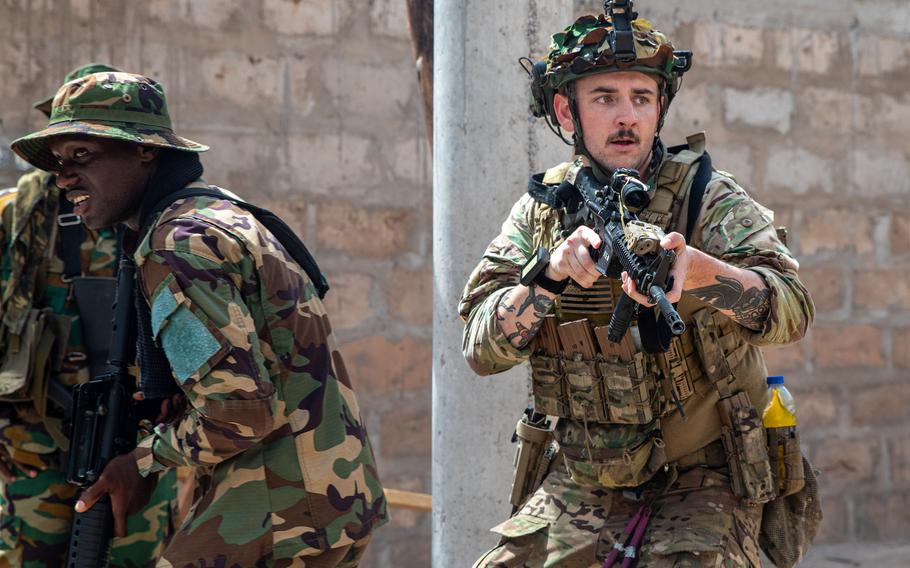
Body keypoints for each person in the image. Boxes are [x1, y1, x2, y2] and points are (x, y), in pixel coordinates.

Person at [459, 4, 816, 567]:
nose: (626, 116)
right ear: (566, 109)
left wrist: (705, 274)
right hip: (585, 477)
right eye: (605, 98)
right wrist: (548, 276)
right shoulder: (542, 211)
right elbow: (479, 348)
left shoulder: (707, 197)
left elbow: (794, 310)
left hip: (703, 475)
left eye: (641, 98)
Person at [10, 71, 387, 567]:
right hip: (314, 499)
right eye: (58, 164)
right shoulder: (217, 214)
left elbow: (238, 411)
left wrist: (140, 464)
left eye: (83, 155)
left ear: (146, 150)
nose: (64, 178)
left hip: (278, 508)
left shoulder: (179, 245)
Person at [0, 63, 177, 568]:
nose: (67, 169)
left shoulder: (163, 219)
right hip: (34, 445)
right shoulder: (20, 218)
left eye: (85, 150)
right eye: (61, 152)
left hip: (133, 447)